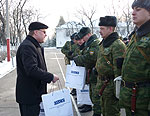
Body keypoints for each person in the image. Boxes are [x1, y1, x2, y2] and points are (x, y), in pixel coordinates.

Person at [16, 22, 59, 116]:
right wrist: (50, 77)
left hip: (36, 93)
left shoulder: (35, 46)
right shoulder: (27, 46)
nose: (45, 34)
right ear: (36, 32)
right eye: (43, 32)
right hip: (29, 96)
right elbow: (31, 69)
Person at [119, 0, 150, 116]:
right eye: (133, 9)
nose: (133, 13)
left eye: (138, 9)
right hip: (132, 98)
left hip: (144, 103)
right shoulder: (136, 36)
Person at [95, 16, 126, 116]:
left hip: (111, 86)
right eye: (100, 28)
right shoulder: (104, 43)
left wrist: (117, 91)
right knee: (104, 111)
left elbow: (119, 71)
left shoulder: (117, 45)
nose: (100, 31)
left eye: (102, 29)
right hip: (102, 84)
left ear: (111, 29)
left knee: (112, 112)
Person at [73, 27, 100, 114]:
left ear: (89, 34)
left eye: (83, 36)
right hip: (91, 76)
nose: (82, 39)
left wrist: (78, 59)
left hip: (96, 76)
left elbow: (90, 58)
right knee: (93, 97)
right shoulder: (89, 44)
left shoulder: (95, 44)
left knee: (97, 100)